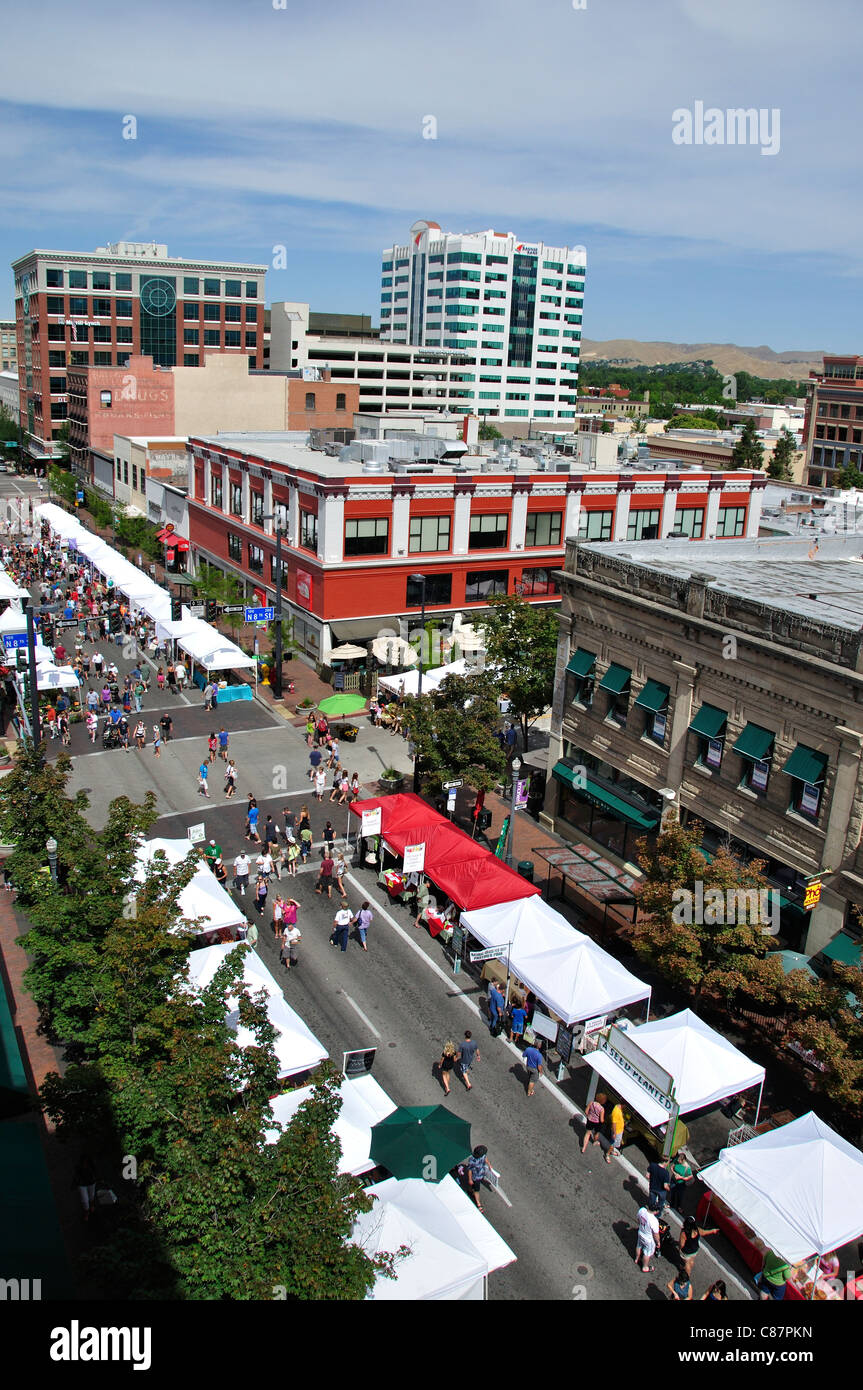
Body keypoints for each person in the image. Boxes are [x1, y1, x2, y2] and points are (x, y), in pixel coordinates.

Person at [679, 1216, 719, 1280]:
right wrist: (713, 1231)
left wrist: (680, 1250)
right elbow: (704, 1232)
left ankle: (686, 1276)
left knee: (687, 1263)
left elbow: (681, 1245)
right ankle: (690, 1265)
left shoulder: (684, 1233)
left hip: (687, 1252)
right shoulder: (697, 1229)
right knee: (691, 1261)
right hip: (695, 1250)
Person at [461, 1145, 491, 1213]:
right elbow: (470, 1170)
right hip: (476, 1177)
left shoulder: (483, 1156)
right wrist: (470, 1179)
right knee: (477, 1190)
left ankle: (470, 1190)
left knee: (472, 1187)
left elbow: (485, 1159)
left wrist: (489, 1165)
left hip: (481, 1174)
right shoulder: (472, 1160)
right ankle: (478, 1203)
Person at [635, 1204, 660, 1273]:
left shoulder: (642, 1210)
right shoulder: (654, 1221)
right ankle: (645, 1267)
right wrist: (658, 1242)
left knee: (639, 1246)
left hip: (640, 1232)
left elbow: (638, 1219)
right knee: (647, 1253)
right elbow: (656, 1234)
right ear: (656, 1211)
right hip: (648, 1239)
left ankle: (637, 1258)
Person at [73, 1153, 98, 1223]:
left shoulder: (92, 1167)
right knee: (85, 1200)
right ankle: (87, 1212)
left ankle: (92, 1206)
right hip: (82, 1184)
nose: (85, 1164)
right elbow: (76, 1177)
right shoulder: (78, 1167)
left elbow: (95, 1174)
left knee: (91, 1196)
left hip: (91, 1183)